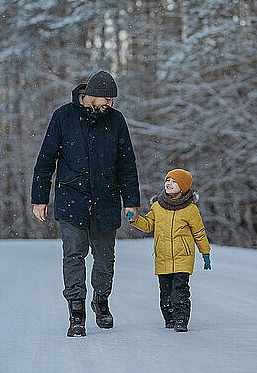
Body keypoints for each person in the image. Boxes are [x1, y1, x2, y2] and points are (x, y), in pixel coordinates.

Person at [31, 70, 140, 337]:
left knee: (105, 259)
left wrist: (131, 202)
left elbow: (127, 164)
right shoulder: (63, 117)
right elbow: (46, 160)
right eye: (106, 99)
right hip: (72, 199)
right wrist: (39, 198)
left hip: (106, 201)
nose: (110, 105)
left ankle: (101, 302)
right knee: (73, 256)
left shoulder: (115, 120)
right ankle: (76, 313)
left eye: (112, 100)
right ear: (89, 95)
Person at [126, 168, 211, 332]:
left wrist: (205, 253)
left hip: (183, 257)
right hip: (163, 256)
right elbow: (149, 225)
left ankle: (181, 319)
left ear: (184, 187)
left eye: (174, 181)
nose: (169, 184)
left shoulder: (190, 209)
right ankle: (169, 318)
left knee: (179, 289)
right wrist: (135, 219)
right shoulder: (158, 206)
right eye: (167, 180)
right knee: (165, 291)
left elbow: (199, 233)